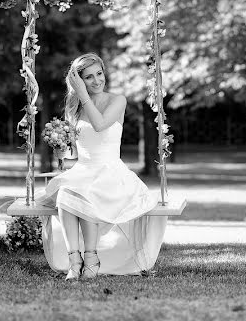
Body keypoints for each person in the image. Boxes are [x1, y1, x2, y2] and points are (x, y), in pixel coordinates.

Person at [35, 52, 162, 280]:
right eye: (89, 77)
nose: (97, 80)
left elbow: (101, 125)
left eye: (99, 74)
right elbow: (74, 152)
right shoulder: (74, 109)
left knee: (86, 192)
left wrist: (83, 95)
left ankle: (92, 258)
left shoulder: (117, 100)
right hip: (83, 169)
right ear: (78, 81)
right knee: (66, 194)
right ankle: (76, 260)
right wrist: (59, 146)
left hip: (111, 171)